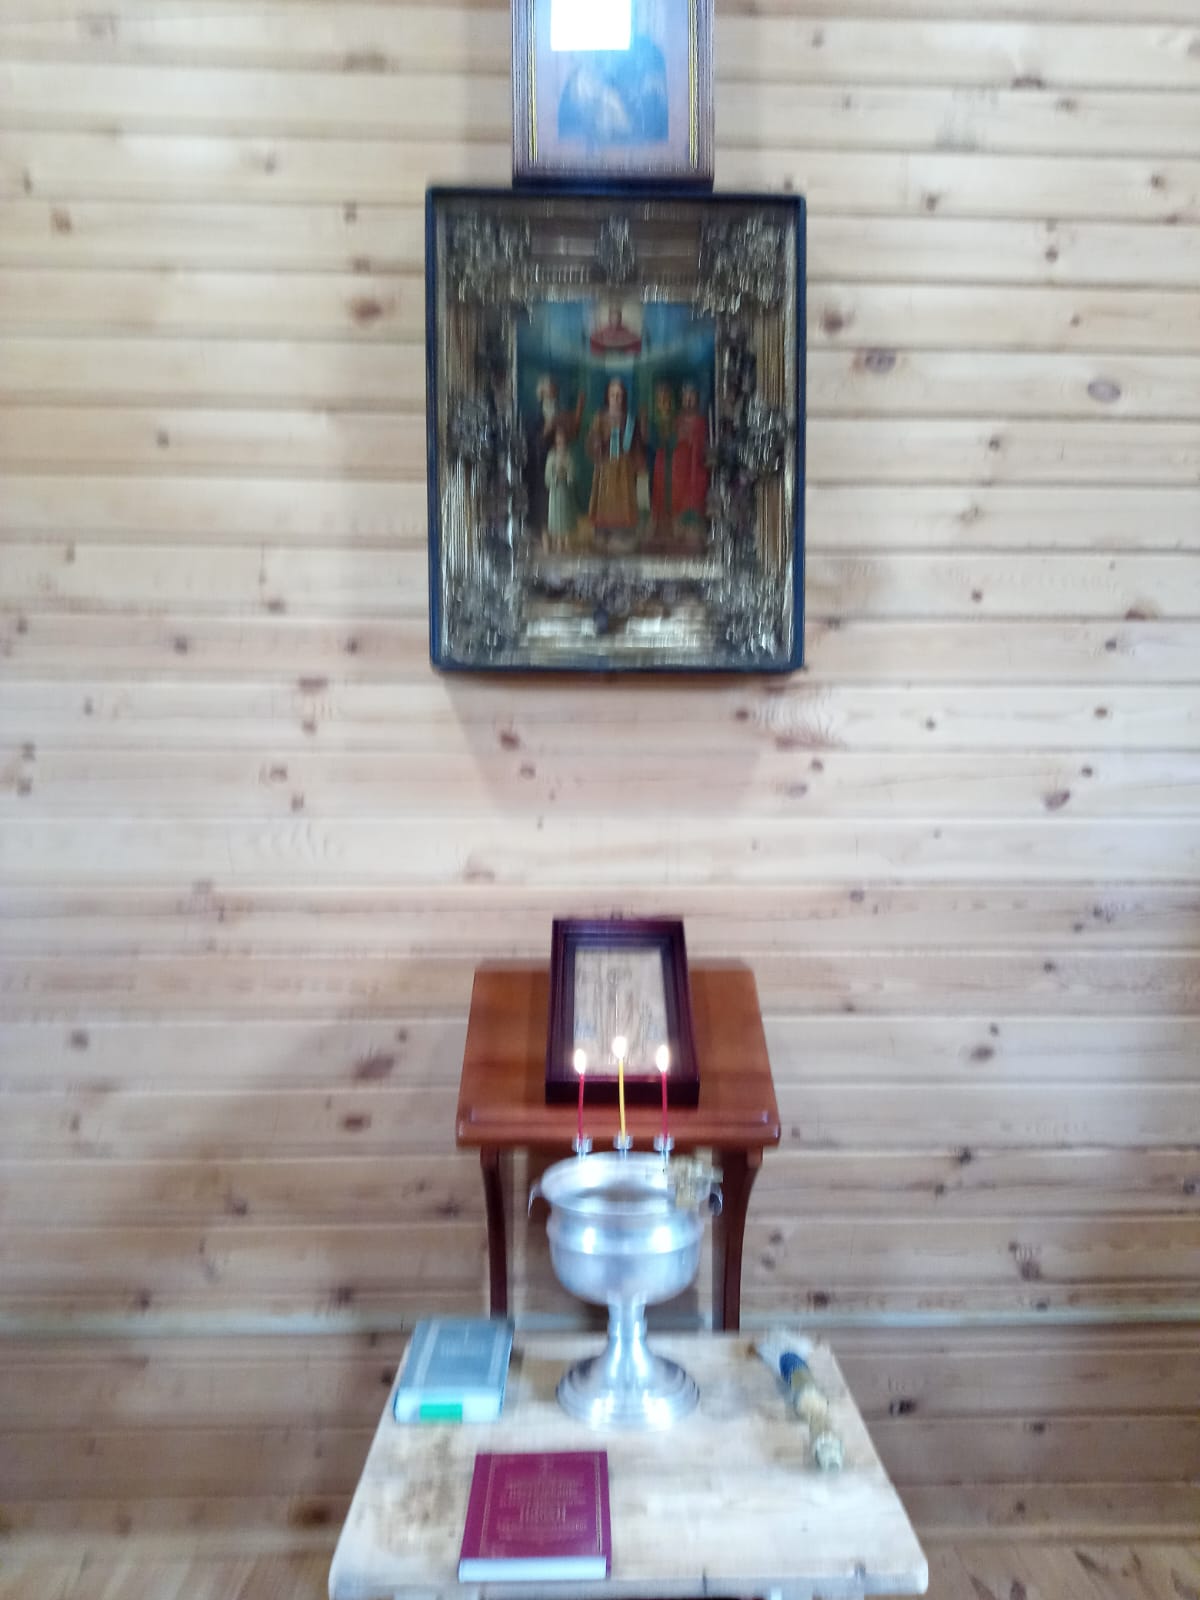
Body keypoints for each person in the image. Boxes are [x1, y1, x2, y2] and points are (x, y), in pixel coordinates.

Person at [526, 375, 582, 537]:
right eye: (548, 394)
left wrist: (579, 410)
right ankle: (544, 536)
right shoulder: (534, 417)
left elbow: (573, 433)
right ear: (541, 395)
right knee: (543, 505)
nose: (552, 398)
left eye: (554, 394)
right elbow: (530, 443)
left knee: (561, 505)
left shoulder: (561, 415)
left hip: (560, 465)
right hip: (541, 467)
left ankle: (560, 538)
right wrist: (546, 430)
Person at [587, 377, 643, 535]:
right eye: (613, 394)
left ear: (624, 397)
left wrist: (638, 462)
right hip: (605, 466)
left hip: (624, 467)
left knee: (624, 497)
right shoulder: (600, 417)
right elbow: (592, 438)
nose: (616, 398)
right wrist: (597, 443)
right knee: (604, 497)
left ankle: (623, 530)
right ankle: (603, 528)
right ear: (607, 396)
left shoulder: (629, 419)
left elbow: (636, 444)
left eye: (619, 395)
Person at [671, 382, 708, 523]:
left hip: (697, 466)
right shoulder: (677, 421)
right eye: (686, 397)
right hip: (680, 467)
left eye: (691, 396)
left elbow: (704, 442)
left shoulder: (702, 421)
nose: (688, 400)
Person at [647, 380, 677, 534]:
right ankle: (657, 522)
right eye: (660, 399)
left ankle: (671, 522)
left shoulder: (675, 422)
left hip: (673, 464)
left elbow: (677, 440)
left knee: (672, 490)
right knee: (658, 491)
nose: (664, 402)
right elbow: (652, 443)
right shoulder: (654, 423)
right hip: (658, 463)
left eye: (666, 398)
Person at [544, 424, 577, 551]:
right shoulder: (552, 455)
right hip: (555, 490)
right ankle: (558, 541)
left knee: (566, 514)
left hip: (566, 490)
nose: (560, 440)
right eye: (558, 438)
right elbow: (548, 473)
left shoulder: (568, 454)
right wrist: (555, 476)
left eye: (562, 438)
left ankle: (567, 541)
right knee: (556, 515)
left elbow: (572, 470)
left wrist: (567, 475)